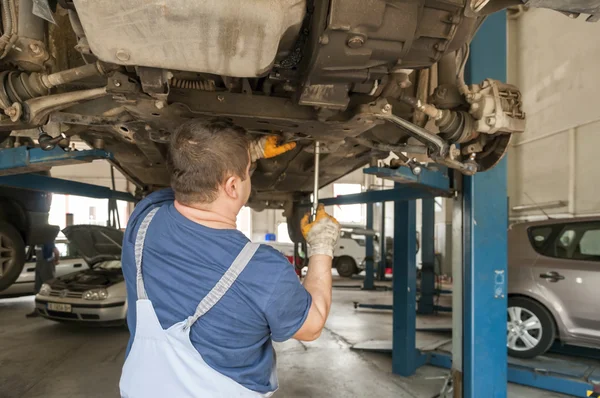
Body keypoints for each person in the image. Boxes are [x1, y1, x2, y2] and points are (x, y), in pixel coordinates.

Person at [119, 119, 341, 397]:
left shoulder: (142, 220)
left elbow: (192, 180)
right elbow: (312, 325)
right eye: (248, 171)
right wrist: (322, 246)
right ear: (233, 186)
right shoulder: (263, 271)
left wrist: (245, 154)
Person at [26, 241, 60, 318]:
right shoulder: (36, 242)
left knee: (49, 287)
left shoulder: (47, 241)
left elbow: (56, 251)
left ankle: (52, 309)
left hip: (47, 263)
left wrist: (56, 260)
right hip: (39, 264)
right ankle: (38, 309)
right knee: (38, 288)